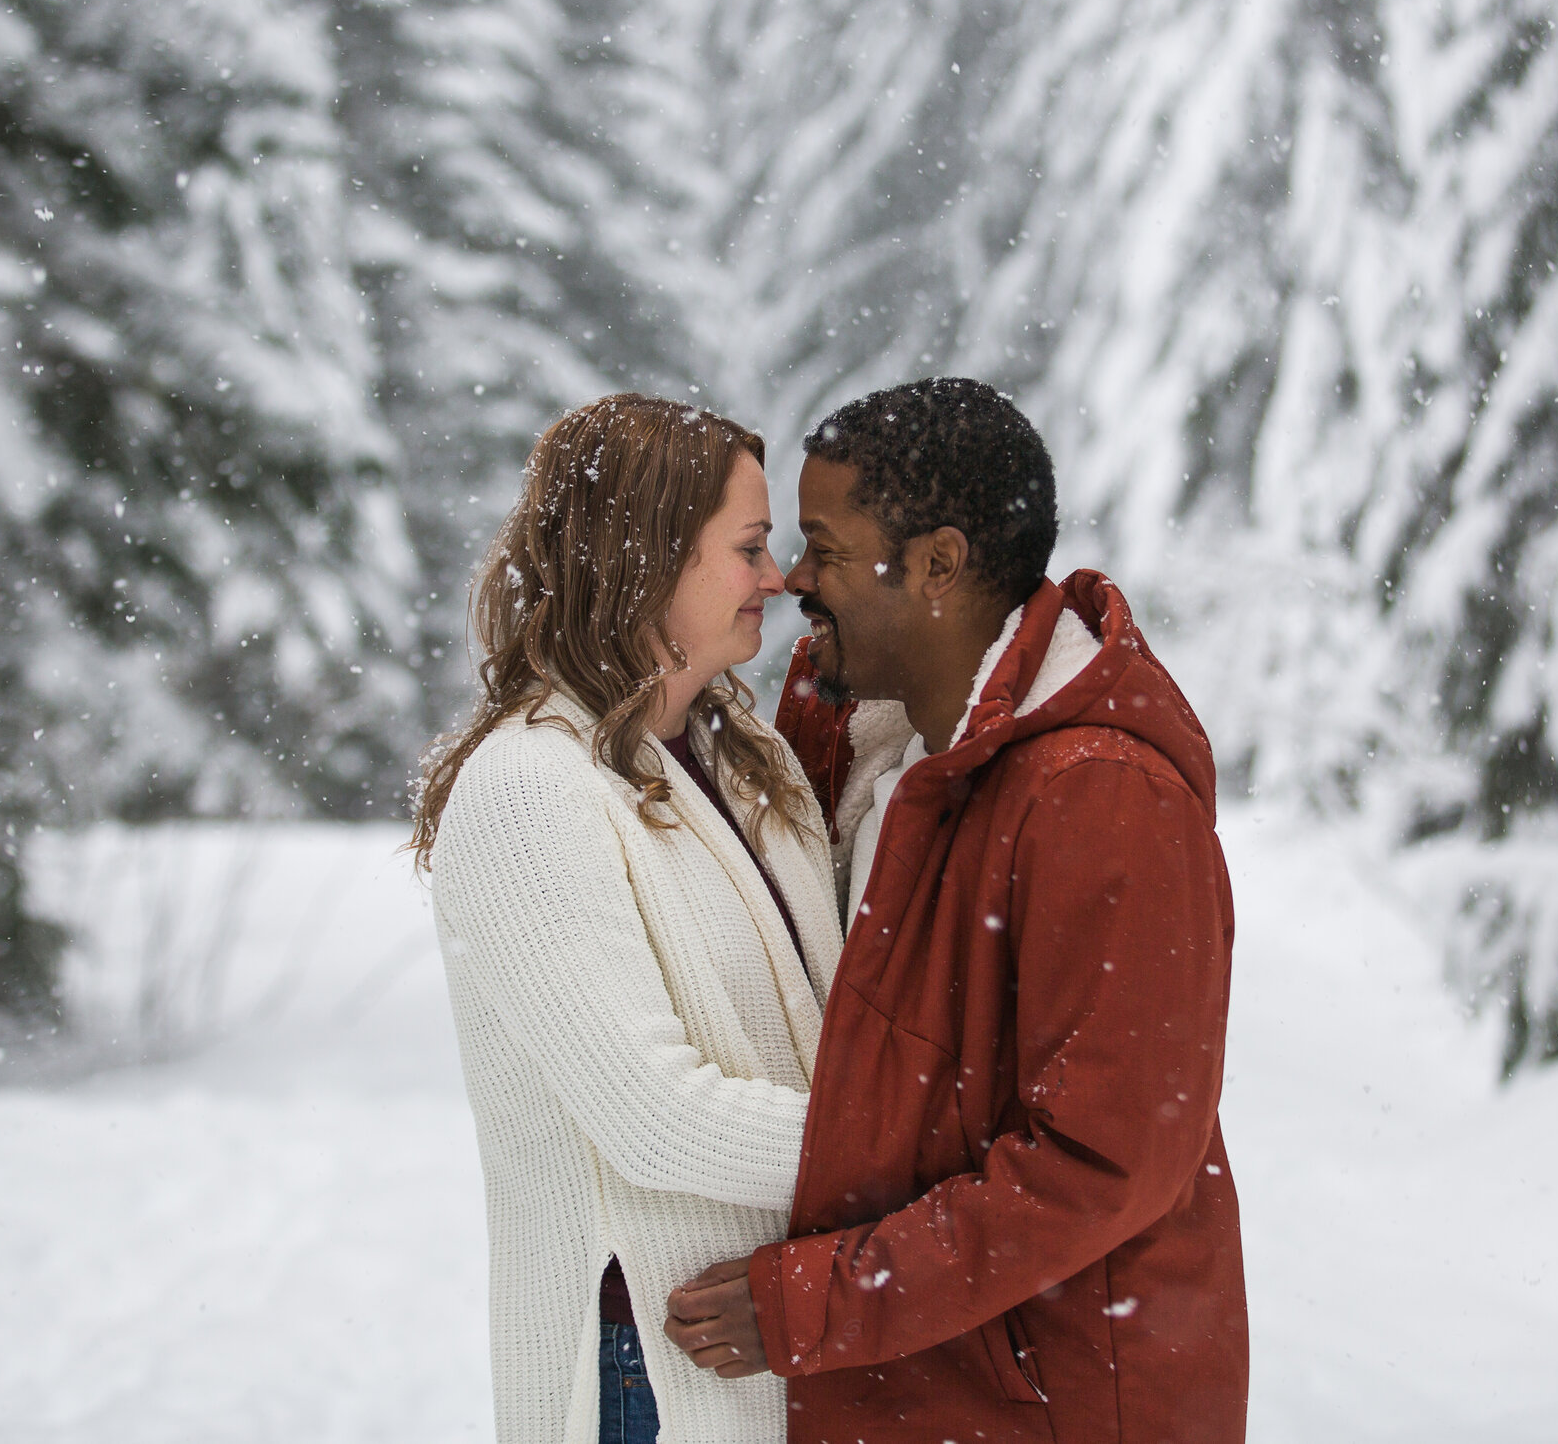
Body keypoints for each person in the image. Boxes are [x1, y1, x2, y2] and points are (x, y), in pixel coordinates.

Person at [660, 378, 1249, 1444]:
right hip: (919, 1391)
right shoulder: (864, 751)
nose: (794, 579)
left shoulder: (1101, 799)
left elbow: (1098, 1163)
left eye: (824, 550)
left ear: (936, 564)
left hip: (1048, 1405)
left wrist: (814, 1300)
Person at [411, 394, 843, 1444]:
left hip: (786, 1325)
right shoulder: (528, 788)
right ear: (647, 559)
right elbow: (657, 1116)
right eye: (748, 547)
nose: (776, 577)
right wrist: (934, 1150)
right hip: (649, 1363)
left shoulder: (744, 757)